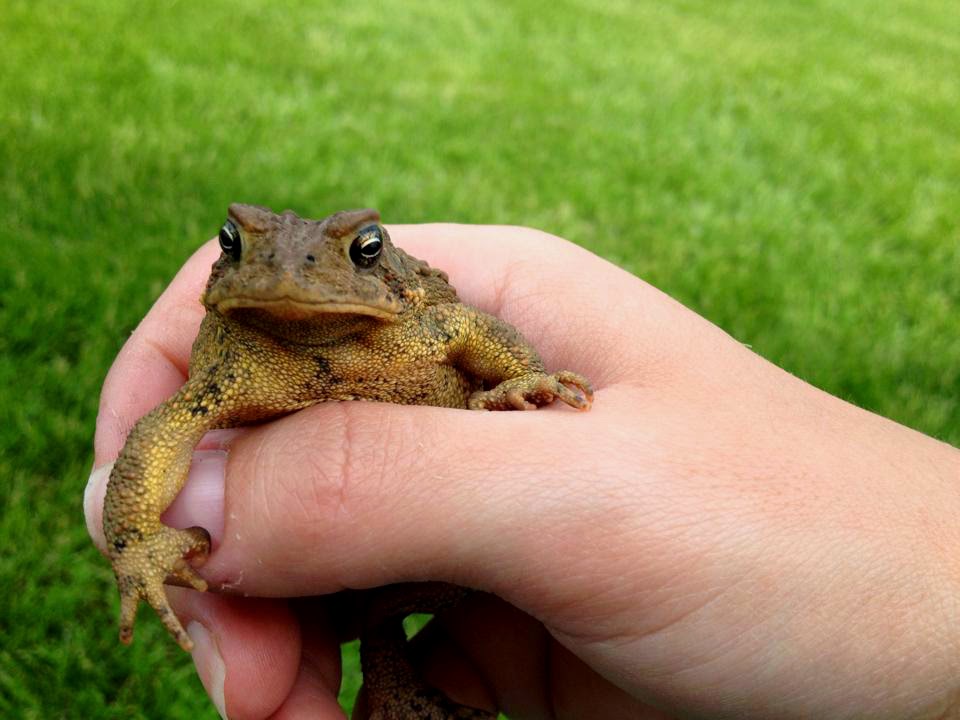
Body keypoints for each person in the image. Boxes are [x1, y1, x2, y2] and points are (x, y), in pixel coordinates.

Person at [84, 223, 960, 720]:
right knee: (377, 605)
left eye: (360, 251)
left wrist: (521, 380)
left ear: (383, 265)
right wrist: (138, 539)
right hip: (330, 579)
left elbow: (479, 333)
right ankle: (396, 684)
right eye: (238, 244)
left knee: (405, 597)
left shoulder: (415, 322)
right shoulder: (240, 352)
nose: (291, 273)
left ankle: (395, 680)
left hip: (466, 532)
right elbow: (168, 427)